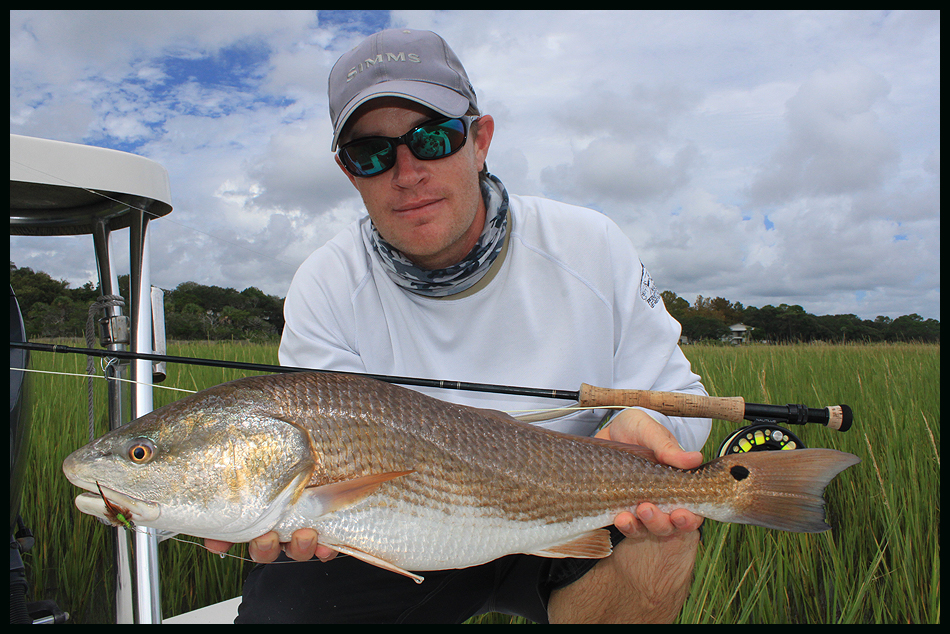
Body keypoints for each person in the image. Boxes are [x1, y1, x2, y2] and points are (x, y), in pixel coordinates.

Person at [212, 28, 711, 623]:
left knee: (665, 539)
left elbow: (680, 398)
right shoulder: (325, 283)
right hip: (395, 529)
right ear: (349, 173)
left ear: (480, 141)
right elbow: (321, 465)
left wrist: (650, 427)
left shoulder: (591, 245)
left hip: (575, 508)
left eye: (433, 138)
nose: (407, 172)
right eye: (371, 153)